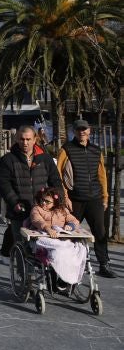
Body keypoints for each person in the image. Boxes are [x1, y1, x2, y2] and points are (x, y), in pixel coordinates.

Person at [56, 119, 116, 278]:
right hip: (74, 199)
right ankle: (64, 267)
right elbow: (58, 174)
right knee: (68, 233)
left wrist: (105, 197)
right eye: (78, 129)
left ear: (89, 131)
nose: (81, 132)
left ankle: (104, 264)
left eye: (84, 129)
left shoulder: (96, 150)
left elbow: (102, 175)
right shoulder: (66, 150)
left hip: (94, 198)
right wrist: (65, 197)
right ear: (74, 132)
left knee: (100, 232)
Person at [0, 125, 64, 257]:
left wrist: (59, 200)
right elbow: (3, 184)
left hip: (42, 210)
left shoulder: (45, 159)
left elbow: (55, 181)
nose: (25, 142)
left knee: (43, 245)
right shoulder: (8, 159)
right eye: (22, 139)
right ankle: (22, 268)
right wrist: (14, 202)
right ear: (17, 139)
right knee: (22, 246)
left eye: (28, 139)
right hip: (20, 210)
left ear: (35, 139)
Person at [28, 186, 87, 285]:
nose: (43, 203)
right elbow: (37, 220)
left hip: (61, 237)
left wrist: (70, 226)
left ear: (55, 202)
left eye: (47, 202)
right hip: (43, 237)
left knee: (73, 249)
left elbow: (74, 220)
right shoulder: (37, 209)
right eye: (42, 200)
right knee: (58, 251)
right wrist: (47, 228)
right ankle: (59, 276)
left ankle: (65, 278)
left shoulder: (62, 210)